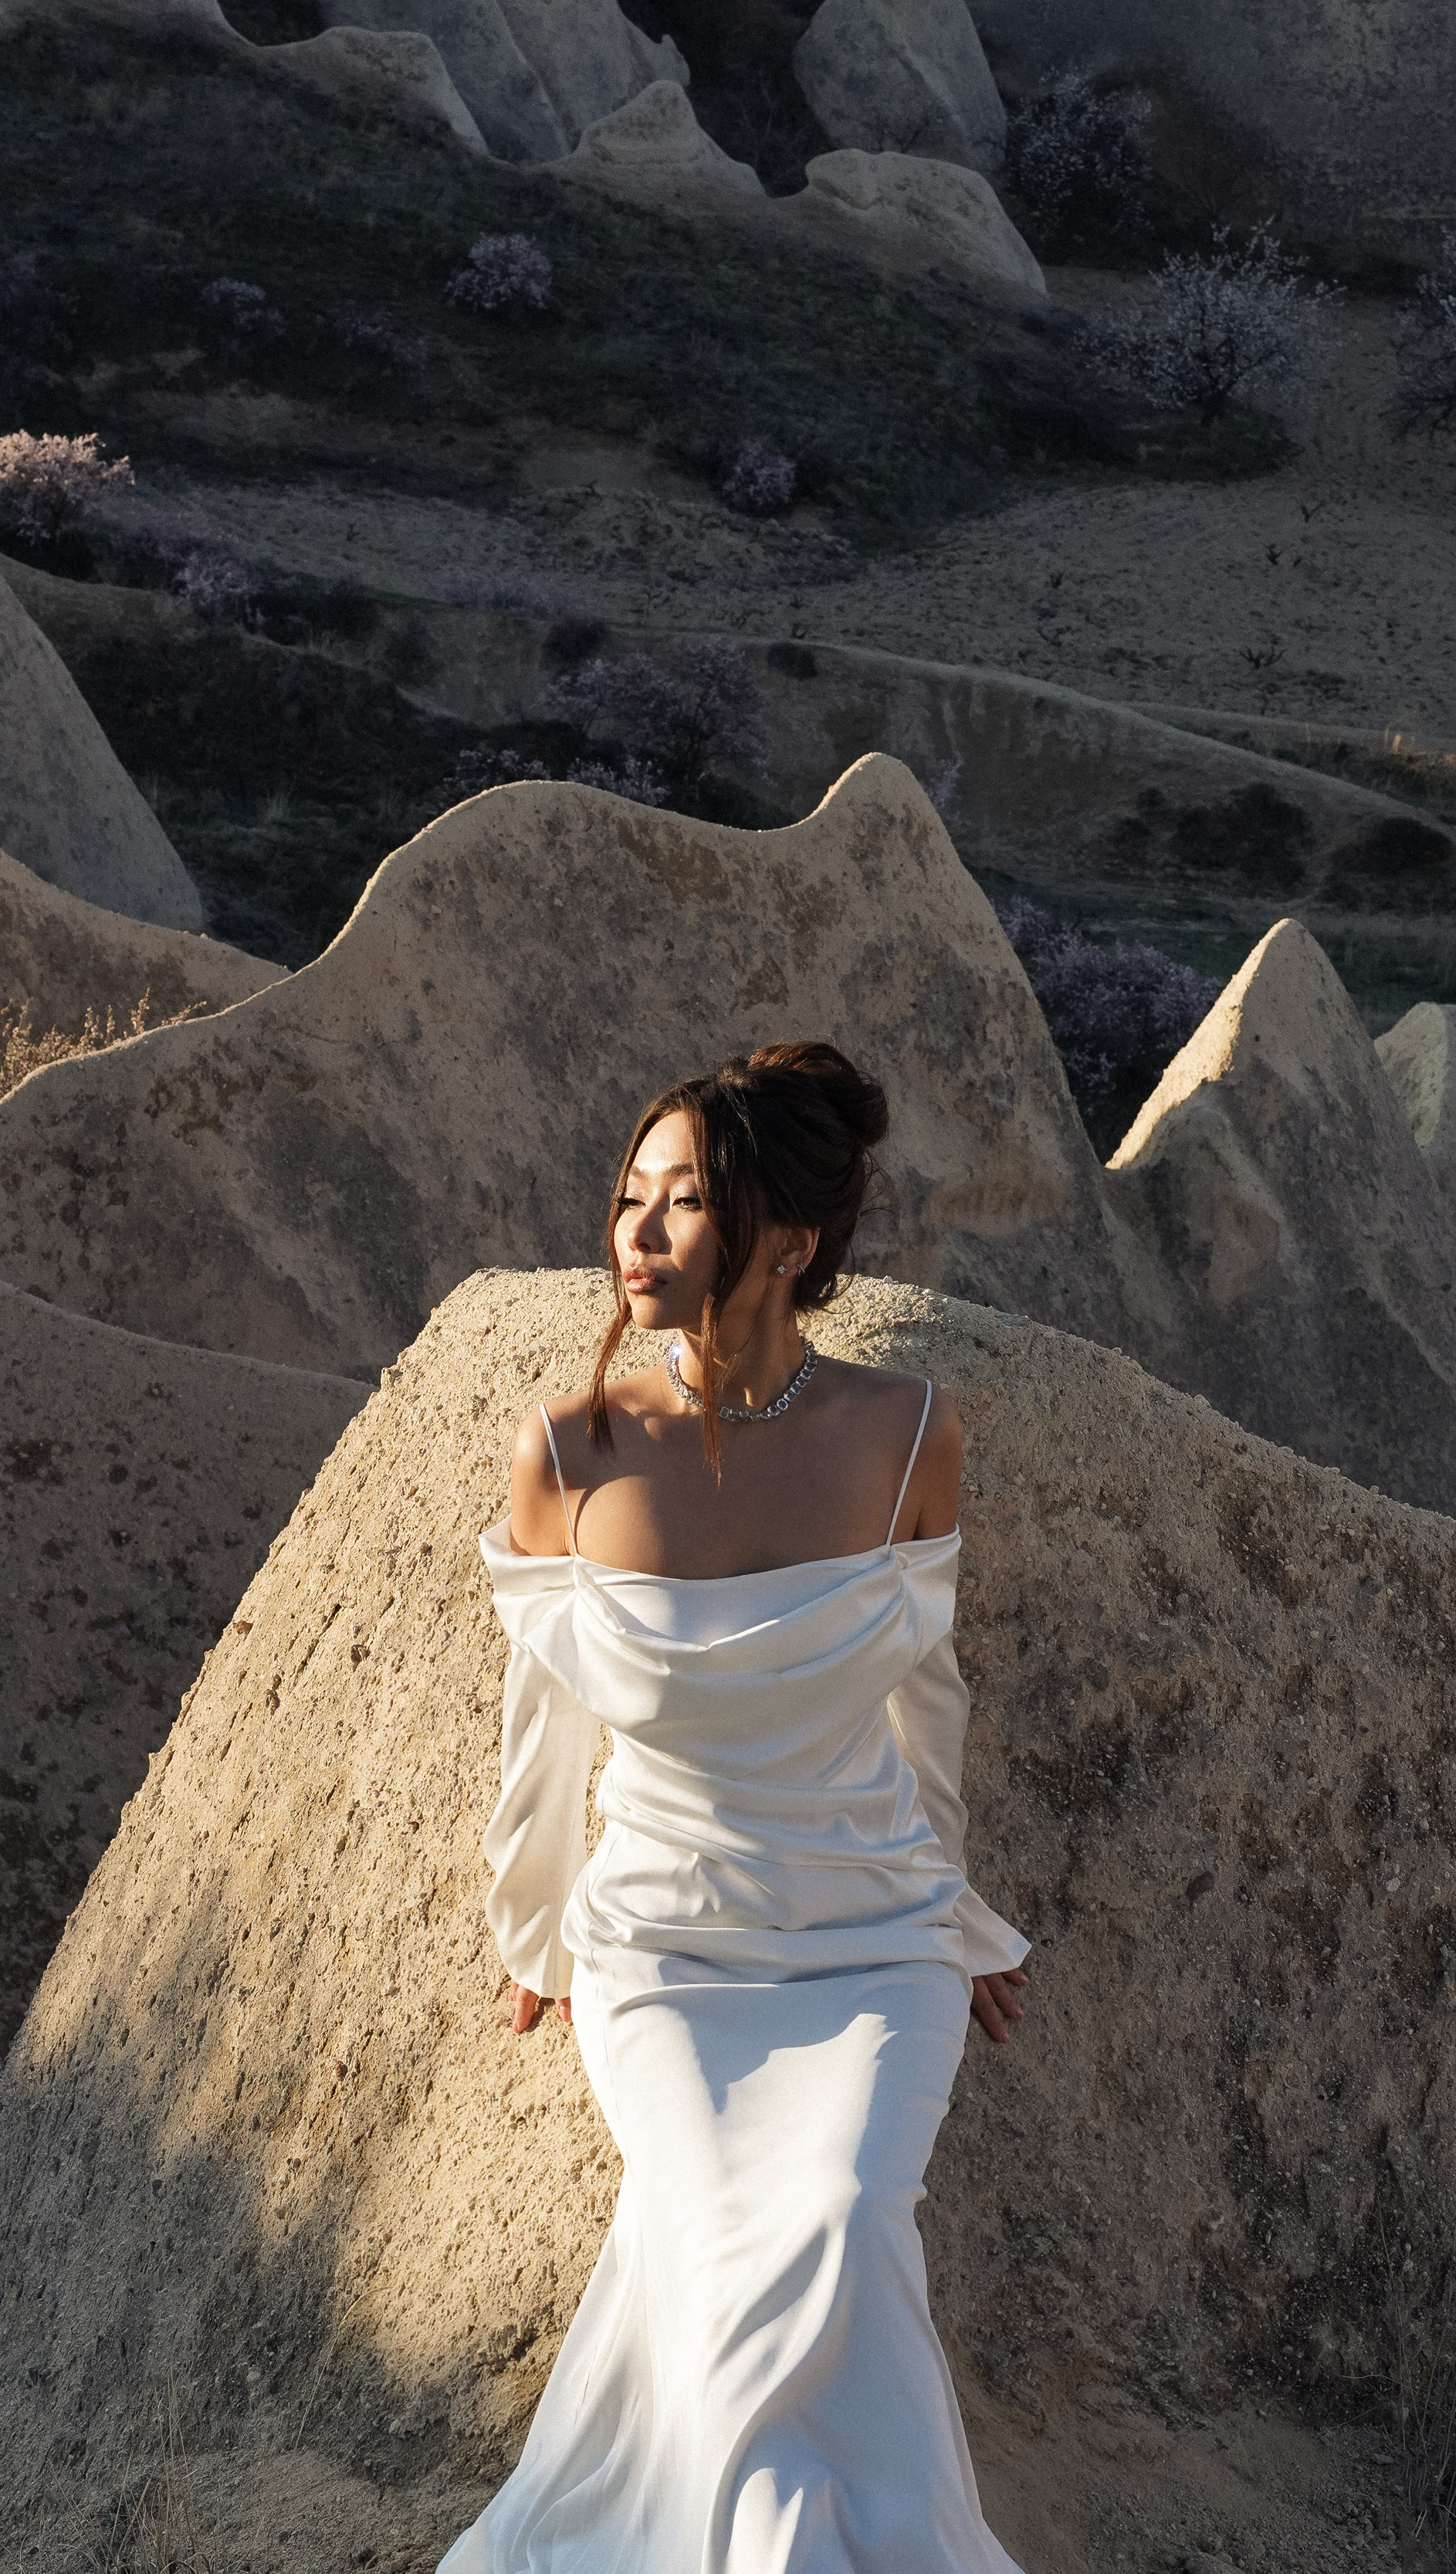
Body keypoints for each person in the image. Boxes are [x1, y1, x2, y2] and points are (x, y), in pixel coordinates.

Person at [439, 1039, 1032, 2574]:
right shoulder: (569, 1450)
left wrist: (959, 1914)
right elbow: (545, 1721)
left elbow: (927, 1703)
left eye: (680, 1201)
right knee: (717, 2222)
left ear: (787, 1239)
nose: (634, 1231)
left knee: (838, 2217)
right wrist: (538, 1925)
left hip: (870, 1941)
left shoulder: (910, 1435)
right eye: (627, 1194)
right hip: (669, 1946)